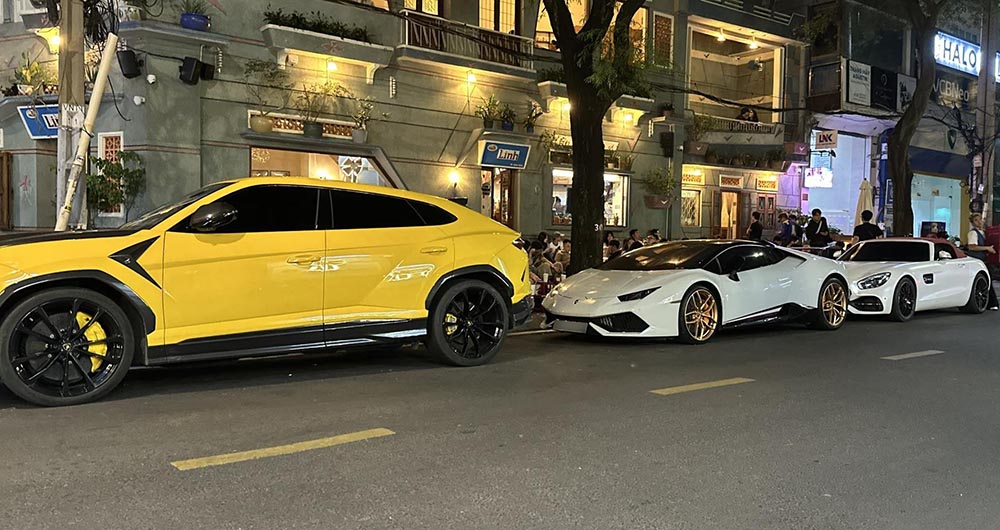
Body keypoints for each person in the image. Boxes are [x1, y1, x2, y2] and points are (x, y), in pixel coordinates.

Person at [966, 213, 999, 310]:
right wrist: (987, 248)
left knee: (987, 280)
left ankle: (990, 302)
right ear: (972, 223)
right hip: (977, 260)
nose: (979, 222)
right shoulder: (973, 233)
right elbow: (972, 247)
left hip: (985, 260)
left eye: (980, 219)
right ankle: (992, 303)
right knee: (985, 281)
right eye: (976, 220)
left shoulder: (984, 232)